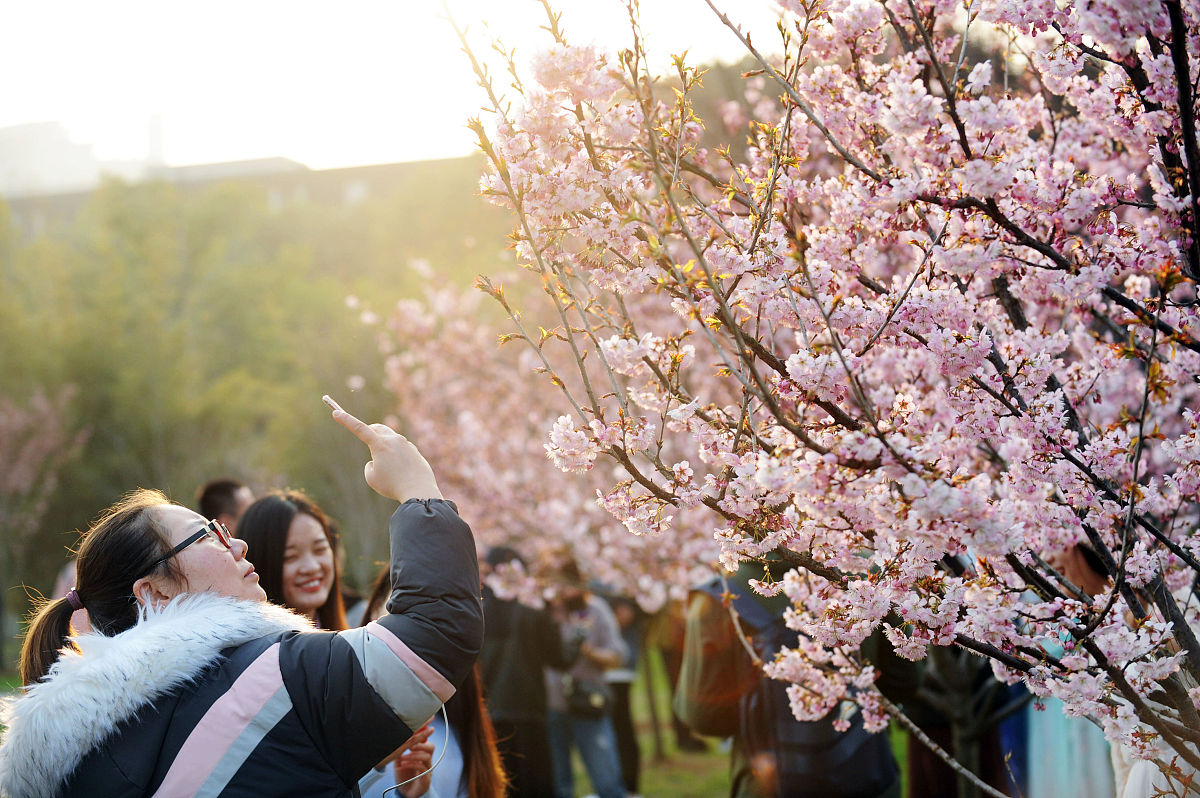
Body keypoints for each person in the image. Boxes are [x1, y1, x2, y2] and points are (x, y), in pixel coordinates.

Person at [0, 398, 483, 798]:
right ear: (154, 592)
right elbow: (438, 630)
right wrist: (418, 490)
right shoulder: (273, 677)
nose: (237, 543)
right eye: (206, 535)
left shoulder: (79, 756)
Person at [675, 558, 919, 798]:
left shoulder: (721, 596)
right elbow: (905, 681)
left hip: (766, 783)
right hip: (866, 772)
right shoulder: (868, 573)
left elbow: (704, 717)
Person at [359, 568, 508, 798]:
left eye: (435, 623)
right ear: (374, 613)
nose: (416, 635)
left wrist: (419, 794)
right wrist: (372, 766)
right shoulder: (337, 713)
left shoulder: (455, 734)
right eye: (402, 614)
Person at [478, 546, 581, 797]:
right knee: (534, 779)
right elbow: (559, 660)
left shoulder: (476, 612)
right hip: (528, 707)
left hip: (489, 709)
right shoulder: (533, 611)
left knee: (500, 781)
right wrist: (578, 636)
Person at [544, 558, 628, 798]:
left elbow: (618, 655)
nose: (563, 592)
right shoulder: (544, 612)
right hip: (551, 705)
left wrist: (590, 653)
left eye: (568, 585)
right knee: (559, 783)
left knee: (607, 779)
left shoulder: (596, 609)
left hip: (588, 703)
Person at [237, 489, 347, 629]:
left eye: (319, 549)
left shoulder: (351, 640)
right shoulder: (256, 650)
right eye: (290, 557)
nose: (311, 567)